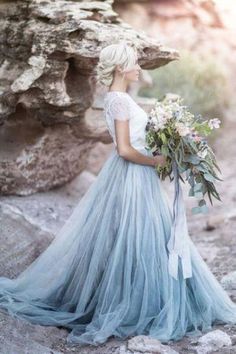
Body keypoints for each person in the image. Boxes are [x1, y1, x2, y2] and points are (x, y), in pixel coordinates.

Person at [0, 40, 236, 348]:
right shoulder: (119, 100)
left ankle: (136, 296)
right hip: (132, 177)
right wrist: (159, 160)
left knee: (143, 237)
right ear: (122, 67)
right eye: (135, 62)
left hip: (137, 176)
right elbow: (124, 150)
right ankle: (136, 304)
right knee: (142, 238)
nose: (139, 67)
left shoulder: (119, 97)